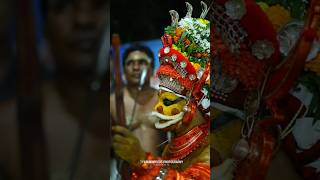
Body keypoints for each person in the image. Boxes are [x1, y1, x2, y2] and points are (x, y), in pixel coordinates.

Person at [0, 0, 108, 179]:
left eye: (99, 5)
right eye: (62, 6)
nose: (83, 19)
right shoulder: (8, 130)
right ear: (44, 26)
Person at [112, 2, 211, 179]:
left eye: (166, 101)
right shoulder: (175, 144)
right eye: (130, 63)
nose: (157, 108)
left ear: (192, 104)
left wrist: (140, 160)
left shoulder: (209, 148)